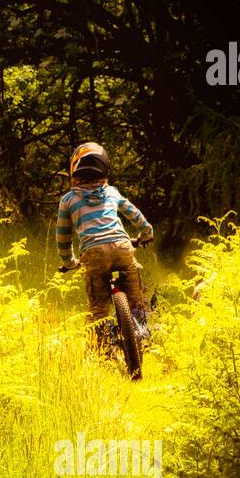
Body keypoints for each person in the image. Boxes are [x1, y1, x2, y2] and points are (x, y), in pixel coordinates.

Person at [55, 142, 154, 350]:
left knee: (98, 309)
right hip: (122, 247)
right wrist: (146, 234)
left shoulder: (68, 200)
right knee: (136, 300)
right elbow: (136, 215)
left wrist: (70, 262)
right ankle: (143, 339)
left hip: (94, 254)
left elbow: (62, 237)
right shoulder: (112, 193)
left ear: (74, 170)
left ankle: (102, 351)